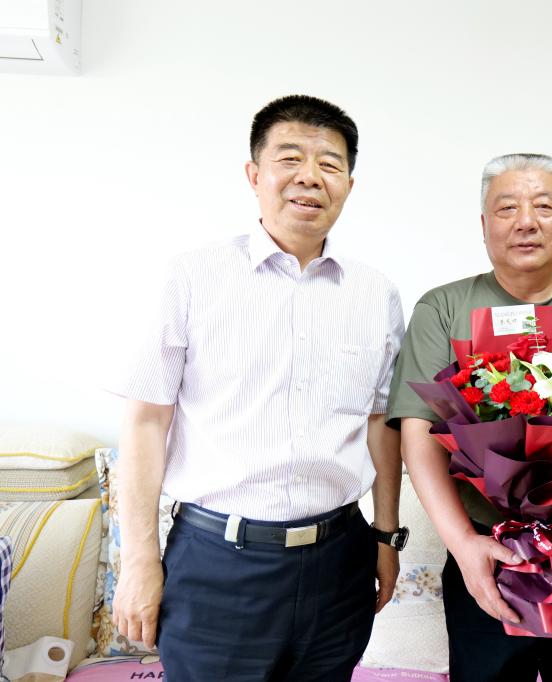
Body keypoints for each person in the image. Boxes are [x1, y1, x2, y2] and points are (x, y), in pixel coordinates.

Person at [111, 94, 407, 681]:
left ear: (349, 185)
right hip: (218, 564)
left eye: (329, 163)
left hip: (340, 563)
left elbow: (381, 423)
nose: (310, 176)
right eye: (290, 158)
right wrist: (138, 558)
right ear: (254, 175)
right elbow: (146, 421)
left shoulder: (376, 294)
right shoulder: (191, 277)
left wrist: (385, 535)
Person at [387, 153, 552, 682]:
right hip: (488, 551)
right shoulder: (443, 309)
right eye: (507, 208)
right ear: (484, 225)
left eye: (543, 207)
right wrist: (464, 545)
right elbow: (418, 434)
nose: (526, 221)